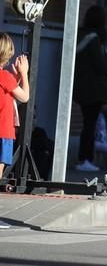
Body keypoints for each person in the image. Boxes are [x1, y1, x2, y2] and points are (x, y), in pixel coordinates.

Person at [73, 5, 107, 172]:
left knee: (88, 124)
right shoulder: (94, 39)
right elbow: (101, 65)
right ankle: (85, 159)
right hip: (94, 90)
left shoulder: (81, 35)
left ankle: (86, 158)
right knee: (90, 125)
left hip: (82, 88)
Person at [0, 34, 30, 229]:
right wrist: (24, 74)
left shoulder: (6, 78)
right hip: (3, 132)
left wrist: (16, 77)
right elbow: (24, 96)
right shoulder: (4, 76)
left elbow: (8, 92)